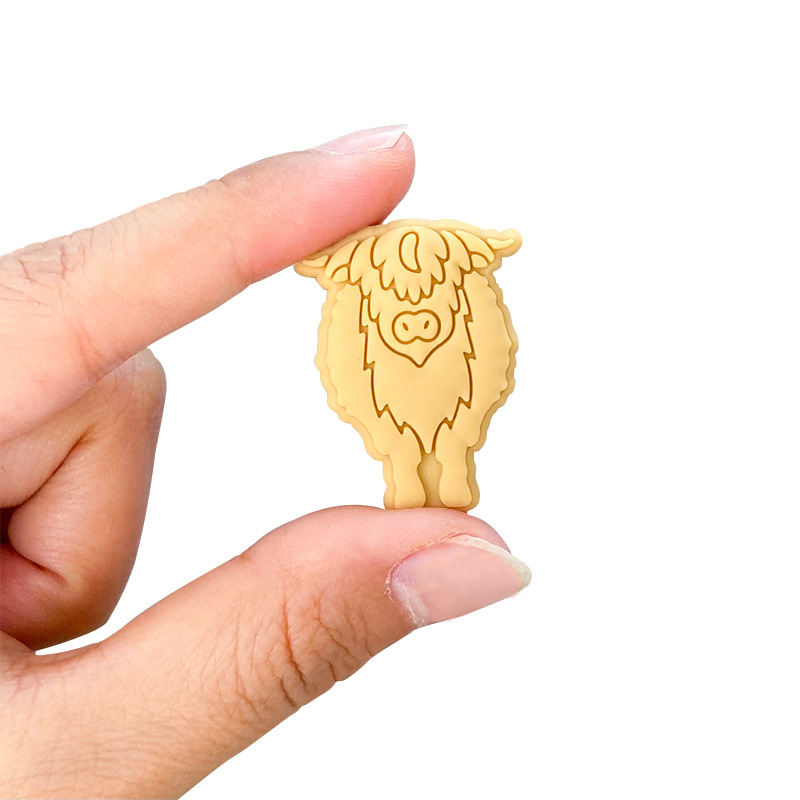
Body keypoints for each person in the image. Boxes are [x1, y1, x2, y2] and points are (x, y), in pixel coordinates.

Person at [0, 125, 530, 798]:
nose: (416, 314)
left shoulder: (475, 348)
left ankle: (441, 463)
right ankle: (414, 466)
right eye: (393, 292)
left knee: (449, 434)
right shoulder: (358, 354)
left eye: (435, 293)